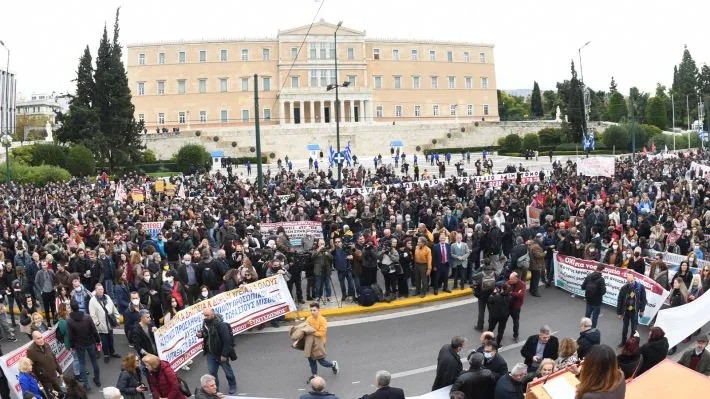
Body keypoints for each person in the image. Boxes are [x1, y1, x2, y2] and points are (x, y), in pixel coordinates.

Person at [197, 308, 238, 394]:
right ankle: (215, 389)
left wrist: (224, 354)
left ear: (213, 314)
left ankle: (232, 385)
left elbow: (228, 341)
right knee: (212, 373)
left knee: (228, 372)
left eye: (207, 315)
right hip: (210, 354)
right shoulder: (205, 323)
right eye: (204, 315)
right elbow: (206, 334)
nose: (205, 317)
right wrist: (201, 335)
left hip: (220, 354)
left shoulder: (222, 325)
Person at [298, 302, 338, 383]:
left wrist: (311, 332)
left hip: (319, 343)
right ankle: (315, 376)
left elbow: (322, 333)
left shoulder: (322, 320)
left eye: (314, 310)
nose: (312, 312)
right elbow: (305, 328)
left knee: (322, 362)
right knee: (311, 361)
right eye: (311, 310)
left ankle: (333, 364)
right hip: (310, 343)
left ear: (318, 310)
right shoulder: (309, 318)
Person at [67, 299, 102, 390]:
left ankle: (86, 384)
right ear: (79, 306)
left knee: (82, 363)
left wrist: (72, 346)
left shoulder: (70, 321)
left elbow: (70, 336)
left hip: (79, 345)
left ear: (71, 308)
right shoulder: (87, 317)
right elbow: (94, 330)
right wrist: (98, 340)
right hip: (90, 342)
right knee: (94, 361)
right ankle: (97, 380)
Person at [88, 283, 121, 363]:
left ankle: (112, 352)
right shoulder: (92, 301)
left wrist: (117, 317)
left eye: (102, 289)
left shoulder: (107, 297)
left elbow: (113, 308)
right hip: (101, 325)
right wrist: (98, 324)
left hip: (109, 323)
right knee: (104, 341)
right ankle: (106, 354)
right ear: (95, 290)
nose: (101, 291)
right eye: (99, 289)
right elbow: (92, 315)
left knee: (111, 339)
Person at [615, 273, 646, 348]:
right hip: (626, 311)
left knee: (634, 329)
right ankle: (623, 342)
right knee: (625, 328)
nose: (630, 283)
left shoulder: (640, 287)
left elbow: (643, 299)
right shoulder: (624, 288)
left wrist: (642, 310)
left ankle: (631, 344)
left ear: (635, 279)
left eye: (631, 281)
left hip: (634, 312)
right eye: (628, 282)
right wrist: (619, 312)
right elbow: (620, 300)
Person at [473, 260, 499, 332]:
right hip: (491, 295)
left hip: (482, 295)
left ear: (484, 264)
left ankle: (480, 326)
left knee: (481, 311)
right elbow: (499, 275)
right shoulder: (495, 273)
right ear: (490, 264)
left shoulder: (481, 274)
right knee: (491, 311)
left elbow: (473, 276)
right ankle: (491, 325)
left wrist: (480, 268)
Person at [581, 264, 606, 328]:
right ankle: (592, 331)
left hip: (588, 300)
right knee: (594, 318)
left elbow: (583, 287)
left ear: (596, 268)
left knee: (587, 317)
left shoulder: (589, 276)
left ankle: (584, 329)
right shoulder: (601, 279)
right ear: (602, 270)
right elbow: (603, 292)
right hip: (597, 302)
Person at [487, 282, 511, 347]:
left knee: (490, 329)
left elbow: (489, 300)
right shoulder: (509, 297)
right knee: (501, 331)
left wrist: (493, 293)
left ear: (502, 289)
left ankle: (488, 342)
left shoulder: (496, 297)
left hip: (494, 316)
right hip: (504, 316)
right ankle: (497, 344)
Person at [507, 272, 526, 343]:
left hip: (516, 307)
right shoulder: (509, 282)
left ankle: (516, 336)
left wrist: (511, 293)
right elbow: (505, 291)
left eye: (511, 279)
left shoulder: (522, 284)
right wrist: (516, 293)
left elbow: (520, 295)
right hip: (508, 305)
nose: (510, 281)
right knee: (503, 321)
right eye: (509, 279)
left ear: (516, 279)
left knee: (516, 322)